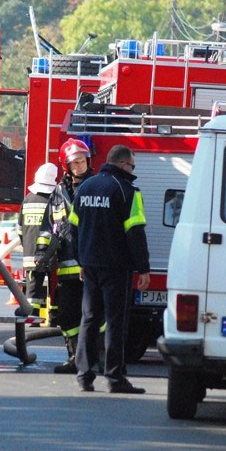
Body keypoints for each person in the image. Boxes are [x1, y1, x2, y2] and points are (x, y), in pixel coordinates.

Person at [69, 144, 150, 394]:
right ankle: (115, 378)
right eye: (132, 166)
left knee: (89, 319)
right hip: (117, 267)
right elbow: (135, 233)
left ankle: (84, 375)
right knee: (115, 321)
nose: (133, 171)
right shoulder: (127, 191)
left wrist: (81, 261)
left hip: (90, 265)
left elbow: (73, 228)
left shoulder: (85, 188)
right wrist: (143, 268)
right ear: (123, 164)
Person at [36, 139, 94, 373]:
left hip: (91, 267)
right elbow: (47, 227)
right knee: (66, 315)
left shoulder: (95, 187)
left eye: (82, 161)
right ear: (66, 166)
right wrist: (41, 254)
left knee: (93, 317)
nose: (79, 166)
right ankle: (74, 358)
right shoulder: (58, 193)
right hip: (66, 269)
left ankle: (93, 358)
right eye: (74, 163)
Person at [18, 163, 59, 322]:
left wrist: (27, 248)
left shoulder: (27, 199)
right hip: (51, 253)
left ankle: (32, 317)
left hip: (30, 254)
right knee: (54, 285)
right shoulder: (54, 201)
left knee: (33, 288)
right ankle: (53, 317)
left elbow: (20, 229)